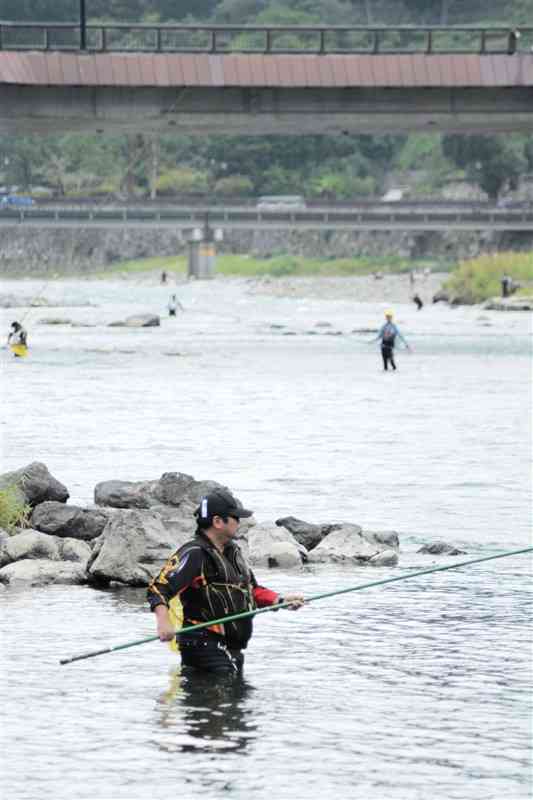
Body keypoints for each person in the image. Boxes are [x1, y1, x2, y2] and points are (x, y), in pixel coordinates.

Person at [147, 489, 305, 677]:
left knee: (233, 701)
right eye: (235, 518)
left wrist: (280, 600)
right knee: (225, 697)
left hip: (230, 648)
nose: (239, 522)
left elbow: (251, 590)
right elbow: (158, 588)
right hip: (202, 645)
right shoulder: (195, 553)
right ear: (217, 522)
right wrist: (163, 623)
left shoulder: (233, 552)